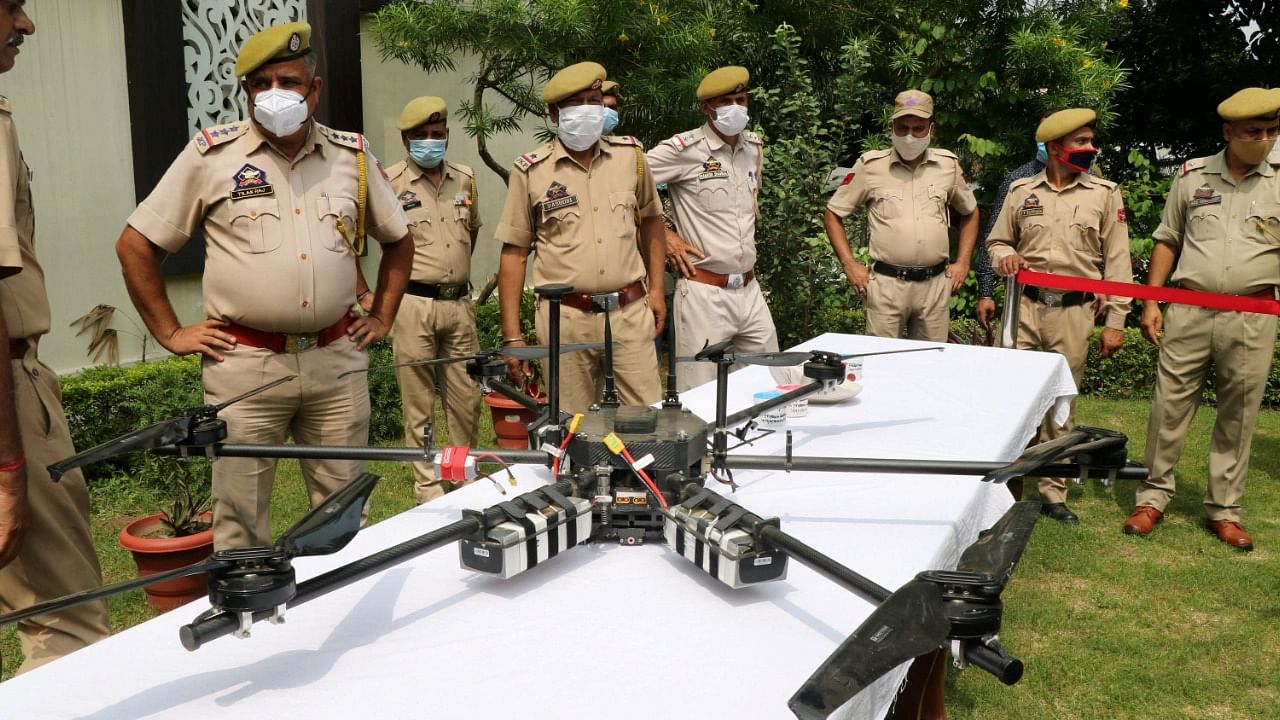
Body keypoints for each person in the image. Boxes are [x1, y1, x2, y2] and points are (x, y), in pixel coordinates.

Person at [115, 22, 413, 549]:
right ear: (246, 93)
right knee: (242, 522)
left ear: (314, 89)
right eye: (261, 83)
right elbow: (136, 244)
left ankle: (344, 622)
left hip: (336, 363)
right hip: (246, 369)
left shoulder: (352, 157)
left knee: (343, 516)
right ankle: (251, 628)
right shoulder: (212, 156)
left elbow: (398, 239)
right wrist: (170, 332)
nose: (275, 94)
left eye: (290, 81)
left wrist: (383, 315)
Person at [0, 1, 110, 673]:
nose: (27, 25)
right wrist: (10, 470)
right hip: (7, 394)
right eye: (11, 5)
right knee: (67, 626)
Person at [1123, 88, 1280, 550]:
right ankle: (1152, 497)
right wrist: (1152, 302)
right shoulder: (1192, 177)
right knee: (1168, 407)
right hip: (1189, 308)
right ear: (1228, 132)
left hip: (1252, 314)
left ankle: (1224, 510)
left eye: (1272, 130)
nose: (1266, 139)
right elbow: (1167, 238)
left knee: (1240, 413)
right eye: (1255, 131)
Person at [987, 108, 1132, 524]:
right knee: (1011, 400)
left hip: (1074, 313)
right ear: (1054, 148)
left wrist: (1116, 320)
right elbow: (996, 242)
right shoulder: (1020, 191)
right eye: (1082, 142)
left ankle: (1053, 492)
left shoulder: (1104, 193)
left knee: (1060, 406)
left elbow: (1118, 263)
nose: (1092, 148)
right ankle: (1007, 487)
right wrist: (1004, 256)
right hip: (1024, 309)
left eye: (1091, 141)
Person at [495, 61, 665, 415]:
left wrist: (658, 290)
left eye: (595, 100)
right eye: (579, 104)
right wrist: (512, 336)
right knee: (573, 429)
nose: (590, 110)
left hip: (629, 312)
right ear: (555, 114)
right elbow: (514, 254)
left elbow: (651, 222)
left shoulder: (630, 157)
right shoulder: (531, 171)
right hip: (566, 320)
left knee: (647, 422)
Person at [647, 66, 778, 391]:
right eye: (726, 101)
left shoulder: (753, 148)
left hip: (749, 289)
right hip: (704, 292)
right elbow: (623, 184)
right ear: (707, 107)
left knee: (769, 386)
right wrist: (666, 235)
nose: (736, 107)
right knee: (700, 396)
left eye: (741, 99)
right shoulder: (685, 150)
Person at [385, 96, 482, 504]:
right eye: (421, 136)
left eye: (437, 134)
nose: (430, 141)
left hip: (458, 304)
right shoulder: (389, 183)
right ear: (406, 139)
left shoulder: (465, 178)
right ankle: (428, 485)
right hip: (413, 304)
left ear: (447, 134)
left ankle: (461, 475)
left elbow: (471, 232)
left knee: (467, 398)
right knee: (419, 402)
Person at [825, 90, 979, 342]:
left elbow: (971, 212)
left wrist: (962, 262)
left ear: (932, 129)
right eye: (902, 127)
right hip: (887, 286)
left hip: (935, 286)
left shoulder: (948, 166)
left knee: (931, 364)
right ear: (892, 127)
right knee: (881, 363)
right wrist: (849, 265)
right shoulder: (871, 166)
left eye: (918, 128)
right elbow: (833, 213)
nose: (909, 136)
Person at [974, 136, 1049, 329]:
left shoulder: (1094, 184)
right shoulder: (1018, 180)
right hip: (1024, 300)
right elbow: (994, 237)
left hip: (1078, 302)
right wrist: (986, 292)